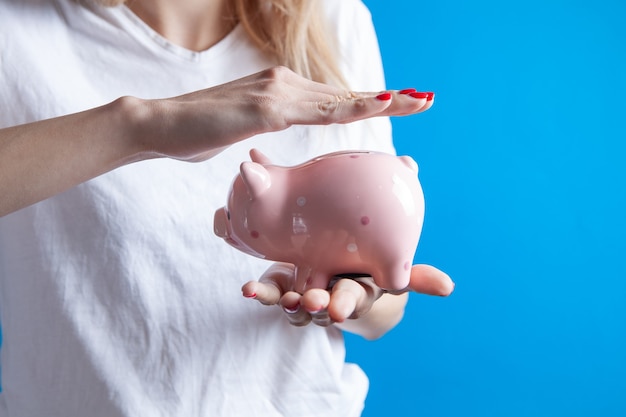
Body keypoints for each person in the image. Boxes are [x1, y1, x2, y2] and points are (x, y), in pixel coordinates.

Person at [0, 0, 454, 415]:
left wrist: (354, 292)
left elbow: (383, 313)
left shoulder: (333, 17)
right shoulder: (15, 28)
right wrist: (136, 126)